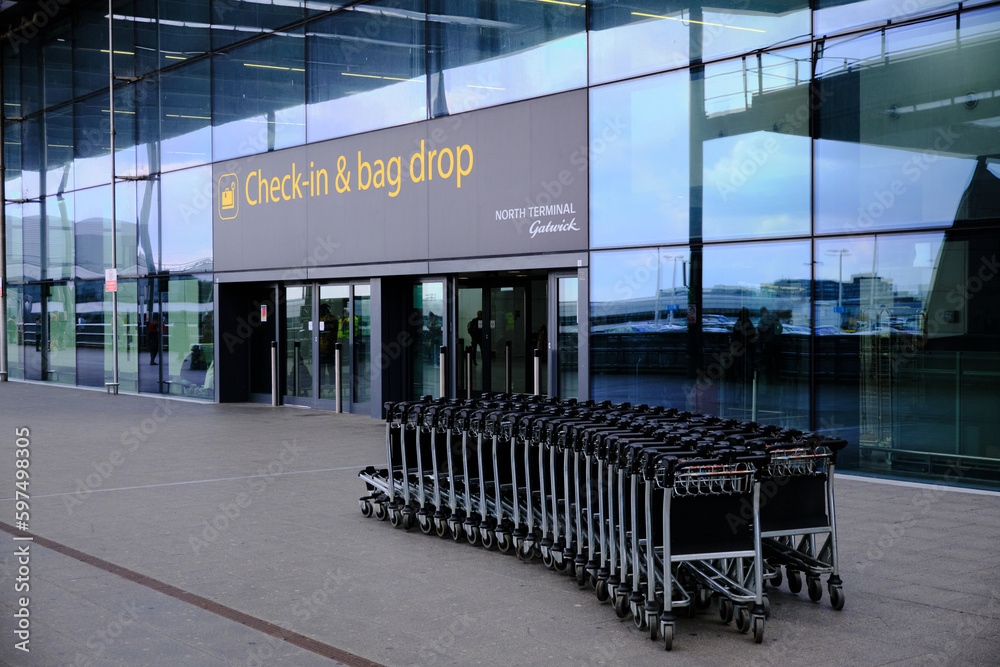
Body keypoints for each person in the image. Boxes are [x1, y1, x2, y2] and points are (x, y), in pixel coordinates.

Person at [756, 307, 783, 382]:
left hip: (767, 344)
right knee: (775, 361)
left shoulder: (763, 320)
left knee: (768, 361)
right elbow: (780, 329)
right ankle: (775, 376)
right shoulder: (775, 320)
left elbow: (760, 329)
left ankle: (769, 377)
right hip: (775, 343)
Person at [730, 307, 756, 384]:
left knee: (739, 364)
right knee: (747, 364)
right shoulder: (748, 323)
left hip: (740, 347)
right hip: (747, 347)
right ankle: (747, 378)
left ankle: (740, 378)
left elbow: (735, 336)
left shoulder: (739, 323)